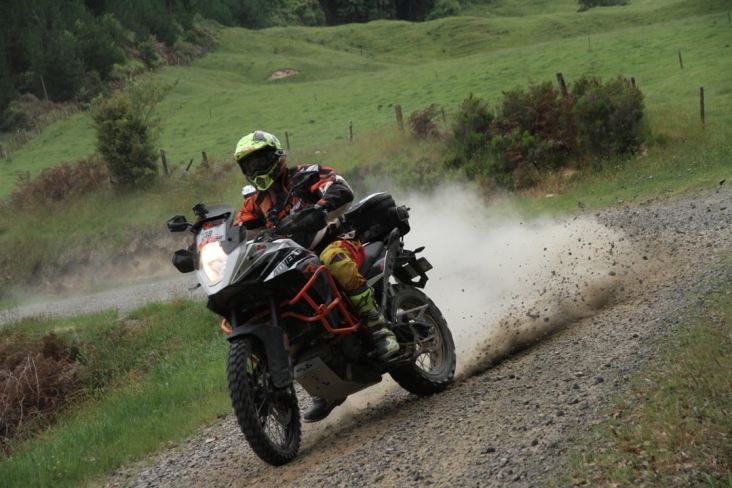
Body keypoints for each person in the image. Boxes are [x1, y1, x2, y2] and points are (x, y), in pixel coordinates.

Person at [232, 130, 399, 422]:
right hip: (291, 261)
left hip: (335, 242)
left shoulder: (306, 175)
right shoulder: (254, 203)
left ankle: (379, 328)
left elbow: (340, 188)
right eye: (250, 165)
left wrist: (321, 207)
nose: (256, 169)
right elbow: (237, 232)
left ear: (276, 157)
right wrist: (204, 245)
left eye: (260, 160)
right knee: (282, 310)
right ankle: (322, 384)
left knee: (332, 260)